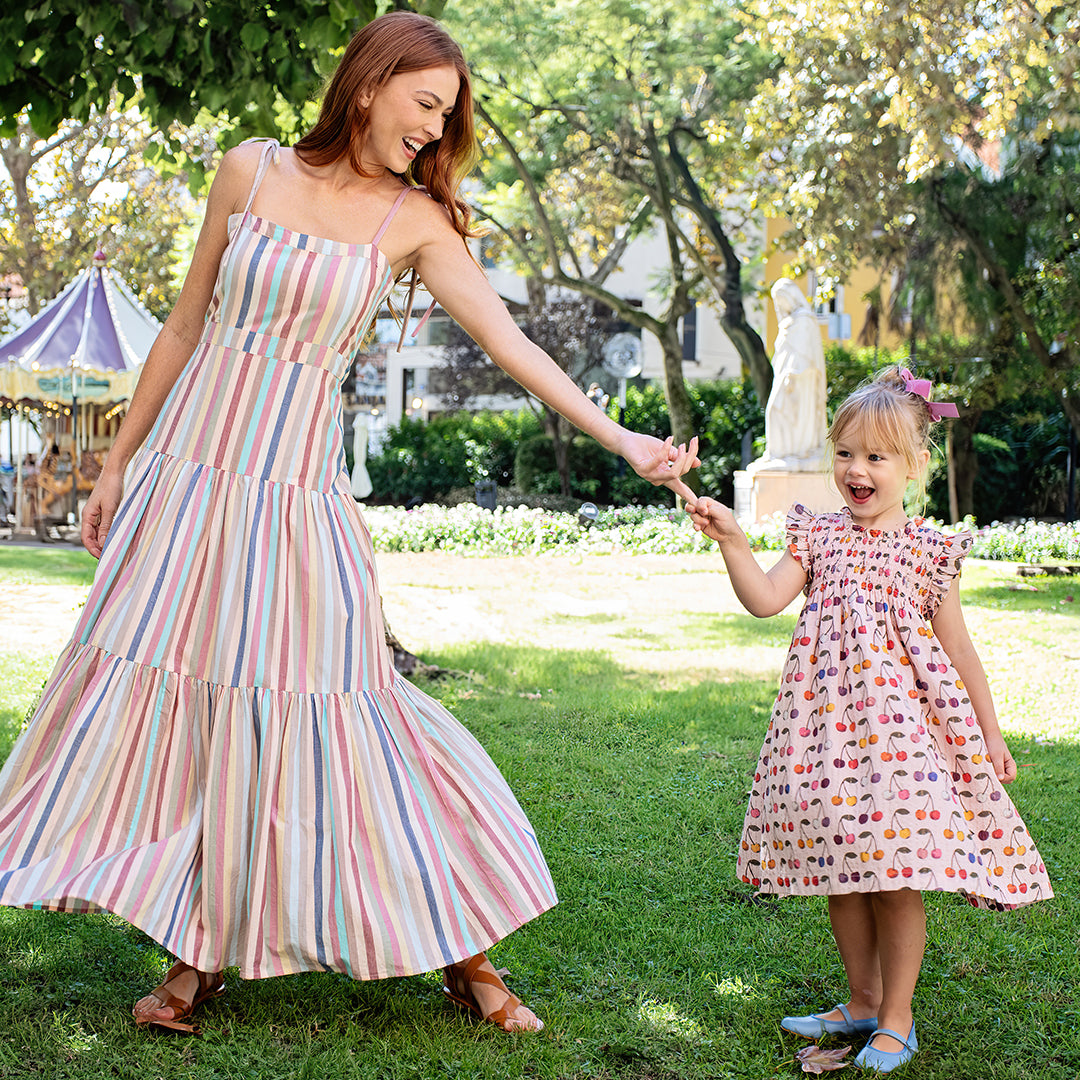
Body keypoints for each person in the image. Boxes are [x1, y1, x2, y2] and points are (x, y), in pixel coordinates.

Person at [0, 12, 699, 1037]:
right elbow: (186, 323)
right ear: (369, 83)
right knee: (201, 711)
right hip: (188, 484)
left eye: (447, 117)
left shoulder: (415, 221)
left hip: (296, 498)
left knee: (339, 706)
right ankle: (197, 957)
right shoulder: (251, 169)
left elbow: (509, 343)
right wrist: (117, 463)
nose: (435, 129)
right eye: (427, 104)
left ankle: (465, 950)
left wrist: (625, 440)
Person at [687, 367, 1051, 1073]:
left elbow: (960, 651)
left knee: (895, 874)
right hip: (824, 733)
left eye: (876, 456)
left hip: (902, 742)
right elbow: (764, 598)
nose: (857, 470)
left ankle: (897, 1018)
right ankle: (862, 1000)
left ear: (913, 465)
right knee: (842, 868)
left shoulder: (928, 553)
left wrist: (991, 733)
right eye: (845, 453)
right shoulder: (817, 537)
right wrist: (732, 539)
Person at [754, 279, 826, 470]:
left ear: (791, 296)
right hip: (788, 376)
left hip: (799, 378)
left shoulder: (804, 320)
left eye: (781, 299)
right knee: (775, 411)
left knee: (780, 410)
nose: (780, 304)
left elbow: (805, 355)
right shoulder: (791, 322)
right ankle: (779, 453)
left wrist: (792, 375)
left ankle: (795, 452)